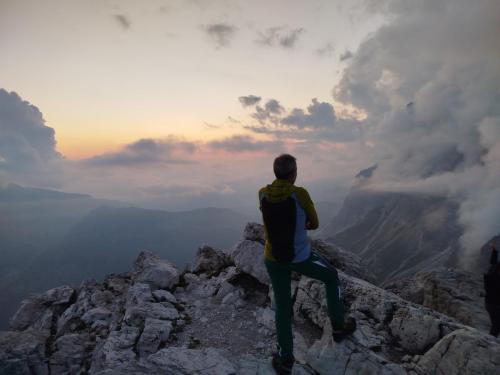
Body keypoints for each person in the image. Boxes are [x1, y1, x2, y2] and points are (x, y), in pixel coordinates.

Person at [259, 154, 356, 375]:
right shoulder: (299, 194)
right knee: (331, 277)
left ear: (275, 172)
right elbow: (315, 223)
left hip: (273, 259)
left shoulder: (262, 193)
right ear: (293, 173)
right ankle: (339, 327)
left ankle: (285, 361)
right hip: (300, 257)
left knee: (282, 309)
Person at [484, 242, 500, 337]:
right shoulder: (495, 280)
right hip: (495, 305)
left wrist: (494, 251)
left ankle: (490, 340)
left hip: (490, 303)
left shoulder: (491, 275)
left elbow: (493, 263)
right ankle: (490, 341)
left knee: (496, 324)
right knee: (496, 325)